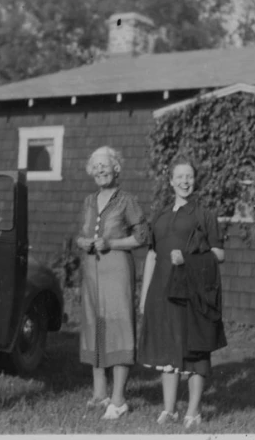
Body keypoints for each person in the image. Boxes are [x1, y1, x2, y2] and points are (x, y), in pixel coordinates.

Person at [137, 155, 226, 428]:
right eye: (180, 177)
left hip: (192, 293)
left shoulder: (204, 214)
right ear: (171, 181)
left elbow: (219, 254)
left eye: (189, 176)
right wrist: (144, 298)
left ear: (194, 180)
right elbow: (152, 255)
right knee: (167, 349)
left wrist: (188, 258)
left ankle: (194, 412)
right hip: (161, 293)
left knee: (193, 350)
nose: (185, 181)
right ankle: (169, 410)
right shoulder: (161, 215)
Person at [76, 146, 148, 420]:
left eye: (105, 165)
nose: (101, 170)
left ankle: (118, 400)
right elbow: (83, 233)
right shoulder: (89, 201)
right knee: (96, 326)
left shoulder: (126, 200)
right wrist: (82, 242)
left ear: (117, 168)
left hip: (117, 269)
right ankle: (99, 393)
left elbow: (142, 236)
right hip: (92, 271)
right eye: (96, 167)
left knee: (118, 327)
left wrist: (112, 243)